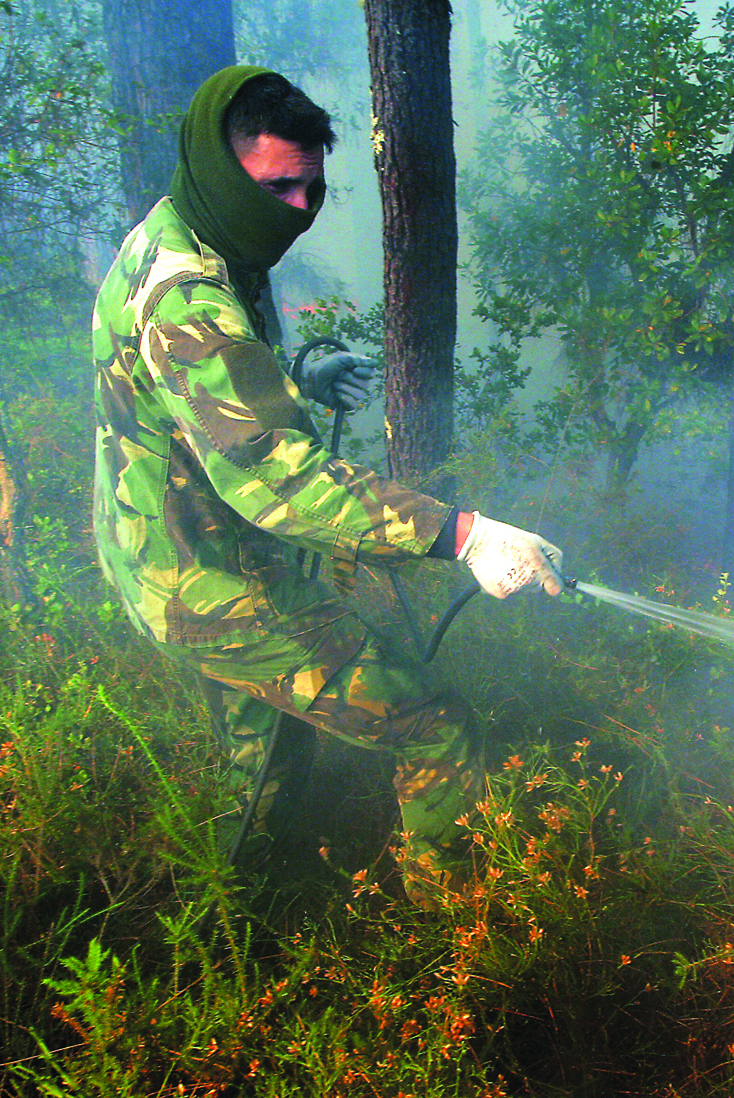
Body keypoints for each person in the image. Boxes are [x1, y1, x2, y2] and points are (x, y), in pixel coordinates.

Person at [91, 65, 563, 902]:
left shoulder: (184, 232)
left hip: (164, 559)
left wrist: (295, 374)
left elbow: (196, 393)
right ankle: (457, 942)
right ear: (219, 164)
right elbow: (275, 482)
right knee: (435, 727)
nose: (300, 212)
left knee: (266, 750)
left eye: (312, 189)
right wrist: (464, 535)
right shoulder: (187, 290)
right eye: (280, 187)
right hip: (213, 583)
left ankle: (237, 914)